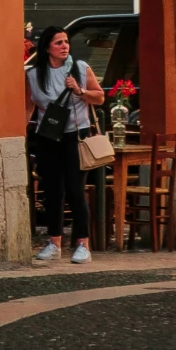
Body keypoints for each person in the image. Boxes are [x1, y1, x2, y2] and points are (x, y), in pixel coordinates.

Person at [26, 25, 104, 264]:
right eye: (59, 42)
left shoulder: (80, 69)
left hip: (74, 135)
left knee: (74, 190)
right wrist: (23, 136)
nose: (64, 46)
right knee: (51, 192)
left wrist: (79, 90)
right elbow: (29, 107)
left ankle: (83, 244)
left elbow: (99, 97)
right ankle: (54, 242)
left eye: (66, 42)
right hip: (48, 137)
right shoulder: (33, 75)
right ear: (47, 48)